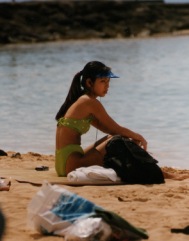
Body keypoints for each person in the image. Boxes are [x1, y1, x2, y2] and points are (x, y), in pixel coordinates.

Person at [55, 60, 188, 180]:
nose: (107, 86)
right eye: (103, 82)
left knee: (114, 138)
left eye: (108, 82)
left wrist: (129, 140)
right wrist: (138, 137)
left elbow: (108, 129)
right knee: (116, 141)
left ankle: (156, 169)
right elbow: (115, 128)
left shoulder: (82, 100)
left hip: (64, 162)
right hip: (72, 164)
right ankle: (163, 174)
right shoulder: (89, 102)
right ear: (89, 83)